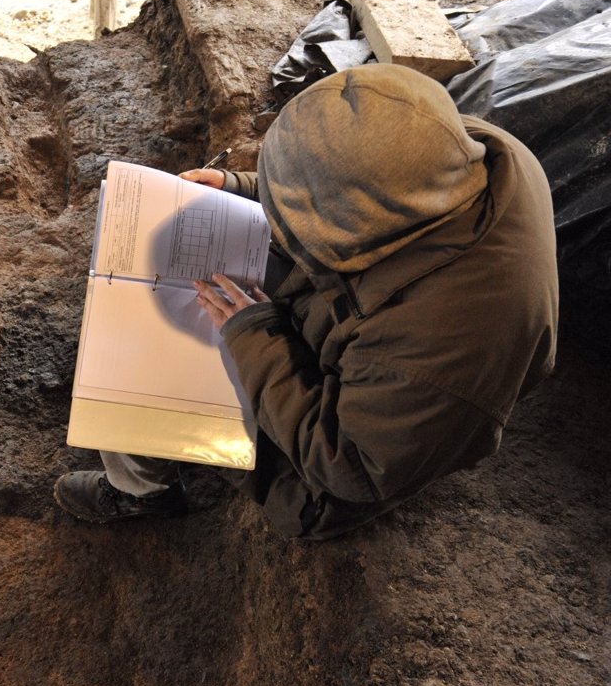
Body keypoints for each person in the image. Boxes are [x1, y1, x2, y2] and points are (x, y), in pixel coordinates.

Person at [54, 64, 559, 539]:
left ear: (354, 226)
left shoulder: (438, 350)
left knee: (137, 360)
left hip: (327, 473)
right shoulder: (455, 150)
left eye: (290, 202)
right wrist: (241, 189)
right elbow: (354, 180)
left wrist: (253, 338)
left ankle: (144, 493)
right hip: (361, 342)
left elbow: (346, 466)